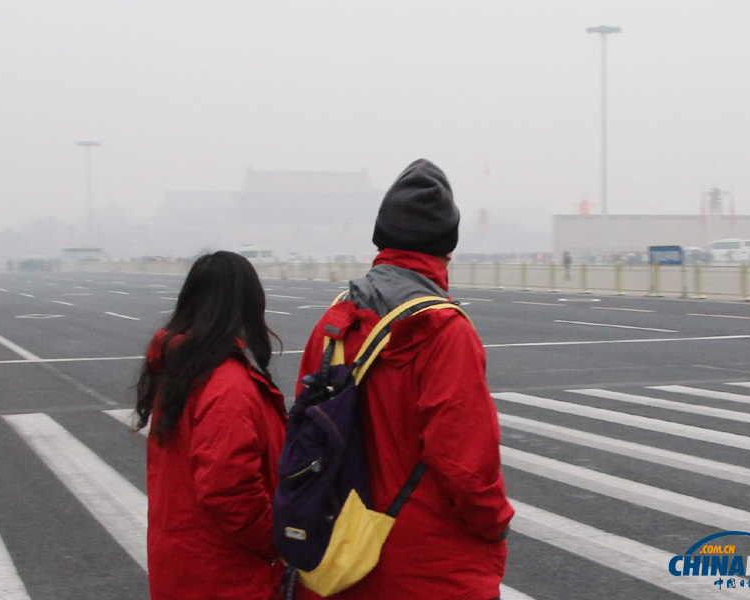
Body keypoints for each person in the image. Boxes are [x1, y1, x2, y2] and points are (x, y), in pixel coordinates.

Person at [296, 159, 514, 600]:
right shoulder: (443, 331)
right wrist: (495, 527)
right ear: (446, 248)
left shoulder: (335, 322)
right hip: (430, 571)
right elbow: (467, 467)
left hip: (340, 557)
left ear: (382, 238)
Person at [135, 251, 286, 600]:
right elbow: (228, 489)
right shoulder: (227, 383)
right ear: (248, 305)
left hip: (185, 566)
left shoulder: (180, 372)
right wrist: (277, 542)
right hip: (229, 576)